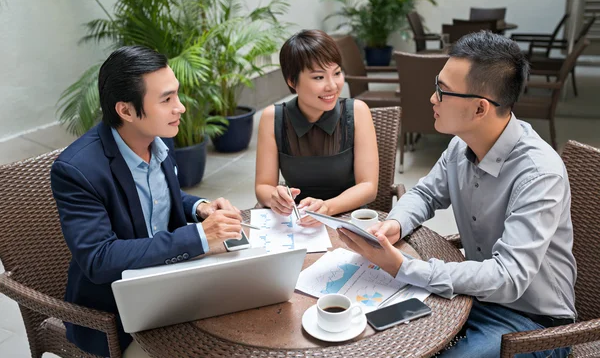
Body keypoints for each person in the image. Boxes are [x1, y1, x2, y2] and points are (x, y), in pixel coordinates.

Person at [338, 31, 576, 358]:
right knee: (372, 335)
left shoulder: (539, 174)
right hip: (472, 298)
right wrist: (395, 224)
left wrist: (404, 267)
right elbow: (424, 194)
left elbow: (508, 277)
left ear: (480, 109)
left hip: (532, 322)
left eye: (443, 91)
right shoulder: (461, 145)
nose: (432, 99)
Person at [51, 46, 244, 357]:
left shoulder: (157, 137)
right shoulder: (76, 171)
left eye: (176, 95)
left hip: (173, 287)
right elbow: (99, 259)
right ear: (126, 110)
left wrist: (199, 208)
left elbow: (160, 198)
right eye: (166, 100)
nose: (180, 108)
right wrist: (200, 236)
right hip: (119, 317)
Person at [255, 29, 379, 226]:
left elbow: (368, 186)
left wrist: (327, 208)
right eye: (319, 77)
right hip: (296, 220)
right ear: (292, 81)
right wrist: (275, 197)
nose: (332, 86)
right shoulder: (273, 118)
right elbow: (263, 186)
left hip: (346, 218)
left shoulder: (357, 112)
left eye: (337, 73)